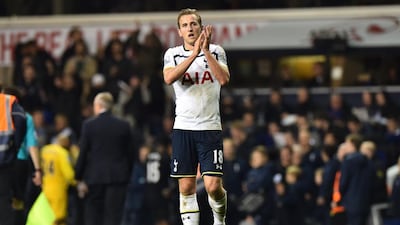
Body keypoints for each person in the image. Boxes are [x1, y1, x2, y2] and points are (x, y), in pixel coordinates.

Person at [163, 8, 230, 225]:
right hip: (183, 127)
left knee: (212, 187)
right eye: (185, 25)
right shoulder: (172, 54)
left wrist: (206, 52)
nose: (190, 28)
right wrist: (194, 54)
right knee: (186, 187)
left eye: (193, 24)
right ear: (179, 31)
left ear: (201, 27)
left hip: (210, 127)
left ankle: (219, 220)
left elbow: (223, 79)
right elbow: (169, 78)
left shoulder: (217, 50)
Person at [74, 92, 133, 225]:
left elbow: (83, 153)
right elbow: (130, 154)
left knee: (94, 216)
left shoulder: (89, 125)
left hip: (95, 178)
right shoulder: (123, 125)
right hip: (118, 177)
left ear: (98, 105)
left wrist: (78, 176)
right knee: (113, 217)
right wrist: (126, 175)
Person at [0, 89, 27, 225]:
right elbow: (21, 120)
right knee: (4, 200)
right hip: (3, 160)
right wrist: (14, 146)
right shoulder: (8, 101)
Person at [41, 134, 76, 225]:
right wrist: (77, 183)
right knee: (59, 219)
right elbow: (69, 175)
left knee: (47, 217)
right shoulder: (62, 153)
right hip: (58, 190)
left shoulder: (44, 150)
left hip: (45, 189)